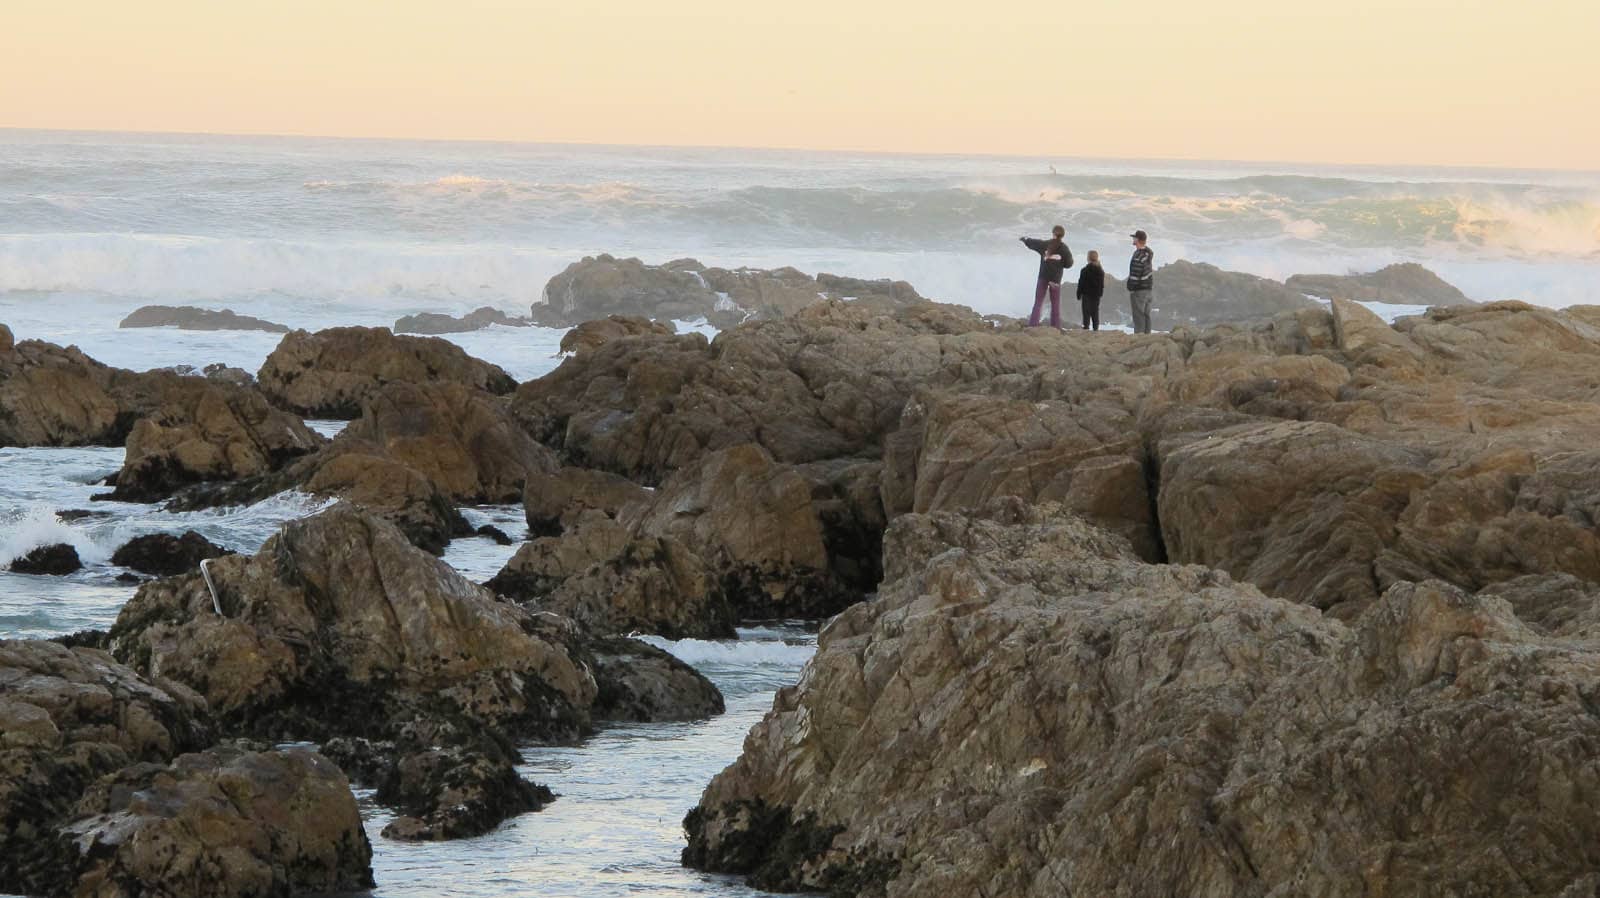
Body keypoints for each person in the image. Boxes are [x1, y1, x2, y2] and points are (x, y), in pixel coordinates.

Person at [1020, 225, 1074, 329]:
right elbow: (1069, 264)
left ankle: (1033, 325)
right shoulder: (1064, 248)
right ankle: (1055, 326)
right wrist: (1060, 263)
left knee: (1038, 302)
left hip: (1043, 277)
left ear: (1053, 233)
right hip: (1055, 279)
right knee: (1055, 304)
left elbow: (1033, 243)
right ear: (1063, 235)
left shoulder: (1045, 245)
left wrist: (1024, 239)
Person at [1126, 229, 1155, 333]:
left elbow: (1135, 274)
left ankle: (1139, 338)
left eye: (1134, 237)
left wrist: (1131, 287)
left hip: (1139, 291)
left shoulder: (1138, 256)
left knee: (1138, 316)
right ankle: (1147, 338)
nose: (1133, 239)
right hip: (1149, 289)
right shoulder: (1148, 253)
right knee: (1146, 315)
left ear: (1137, 240)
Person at [1076, 250, 1105, 330]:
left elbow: (1081, 283)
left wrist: (1078, 294)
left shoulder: (1084, 270)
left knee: (1086, 313)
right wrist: (1100, 293)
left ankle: (1086, 328)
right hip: (1096, 295)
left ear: (1088, 258)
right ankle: (1095, 329)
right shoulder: (1100, 271)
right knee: (1095, 312)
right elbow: (1101, 285)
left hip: (1086, 295)